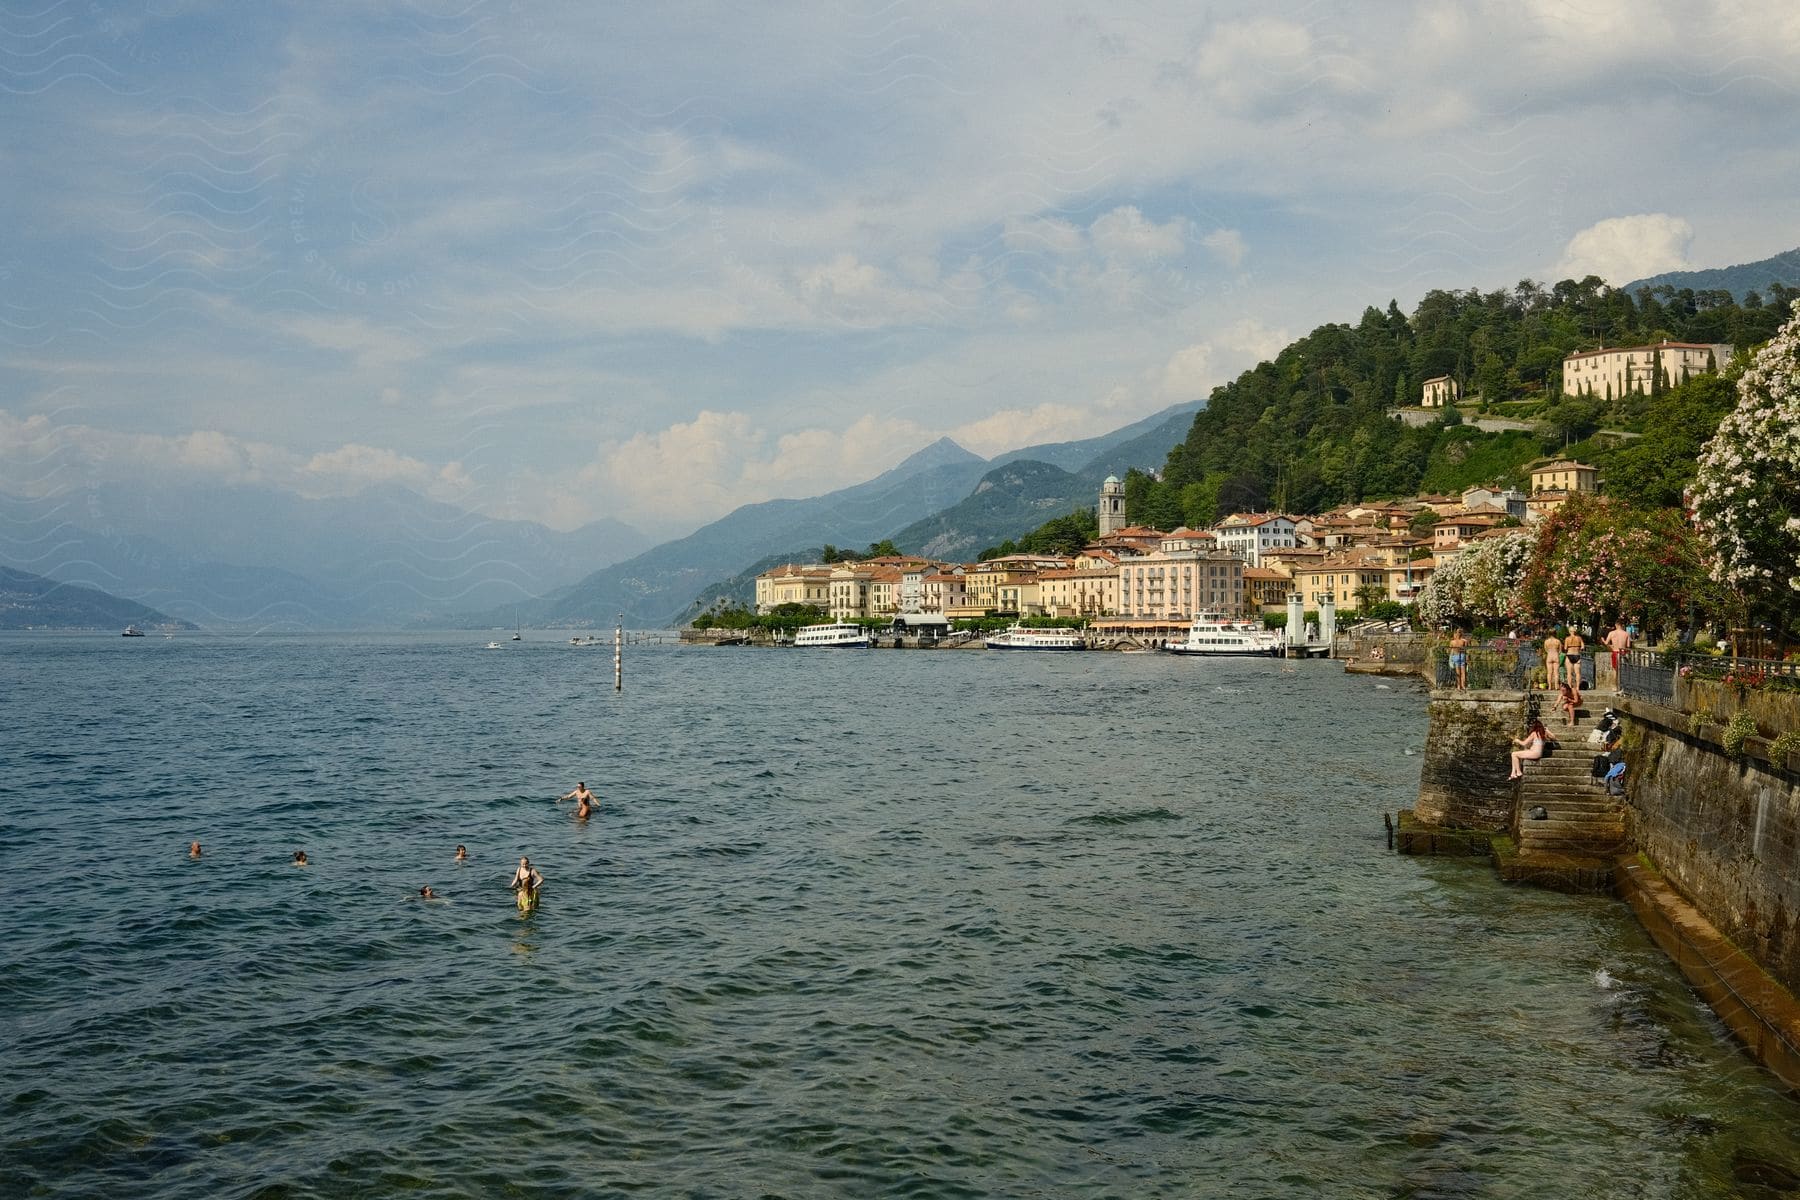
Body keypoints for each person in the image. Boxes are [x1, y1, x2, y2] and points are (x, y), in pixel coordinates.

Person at [1562, 626, 1585, 699]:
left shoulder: (1567, 639)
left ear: (1569, 631)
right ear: (1575, 631)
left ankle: (1569, 686)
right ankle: (1577, 687)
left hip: (1569, 655)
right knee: (1577, 673)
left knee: (1569, 673)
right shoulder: (1579, 638)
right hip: (1577, 655)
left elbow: (1565, 648)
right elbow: (1583, 647)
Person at [1542, 627, 1563, 692]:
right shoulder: (1558, 641)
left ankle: (1550, 686)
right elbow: (1560, 651)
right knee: (1556, 672)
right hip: (1556, 655)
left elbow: (1545, 649)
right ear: (1555, 633)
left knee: (1549, 673)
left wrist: (1549, 652)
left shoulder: (1546, 641)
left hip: (1549, 656)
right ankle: (1556, 686)